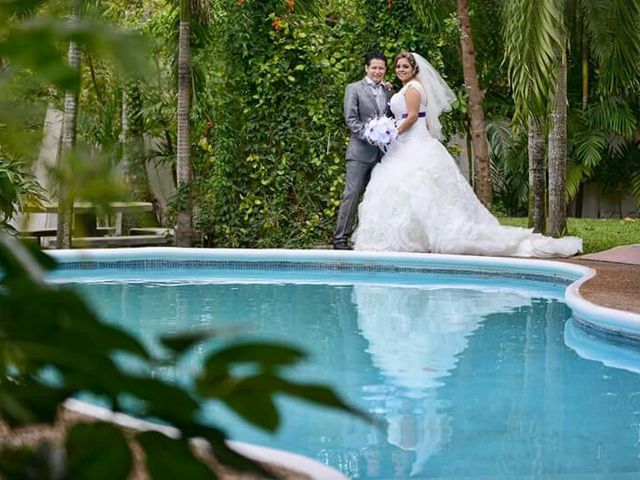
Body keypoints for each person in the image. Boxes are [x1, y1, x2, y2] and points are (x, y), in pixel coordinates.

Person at [352, 51, 582, 257]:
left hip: (411, 140)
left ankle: (422, 238)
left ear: (414, 69)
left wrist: (392, 133)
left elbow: (411, 117)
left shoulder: (413, 89)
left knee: (418, 189)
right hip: (405, 144)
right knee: (410, 192)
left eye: (405, 66)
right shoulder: (404, 87)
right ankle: (411, 238)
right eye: (399, 66)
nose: (401, 69)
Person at [333, 52, 394, 250]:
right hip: (360, 152)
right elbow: (350, 119)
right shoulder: (354, 89)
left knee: (376, 196)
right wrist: (369, 135)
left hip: (382, 155)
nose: (377, 71)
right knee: (352, 194)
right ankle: (340, 238)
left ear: (385, 70)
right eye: (374, 68)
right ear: (366, 68)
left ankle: (368, 239)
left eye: (381, 68)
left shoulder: (388, 90)